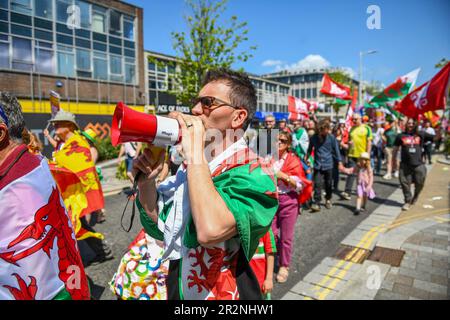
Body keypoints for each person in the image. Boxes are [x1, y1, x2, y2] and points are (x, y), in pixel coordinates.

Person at [134, 68, 278, 300]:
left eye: (208, 102)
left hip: (226, 293)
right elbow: (159, 229)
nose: (195, 110)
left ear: (238, 117)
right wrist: (146, 185)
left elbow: (211, 230)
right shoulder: (194, 166)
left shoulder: (257, 173)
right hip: (179, 287)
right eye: (196, 102)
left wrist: (193, 155)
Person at [0, 92, 90, 300]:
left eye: (60, 124)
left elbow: (81, 166)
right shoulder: (35, 162)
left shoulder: (15, 184)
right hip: (65, 285)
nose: (57, 128)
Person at [48, 110, 112, 266]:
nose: (54, 126)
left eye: (58, 123)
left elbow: (80, 166)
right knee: (79, 224)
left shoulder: (78, 141)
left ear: (69, 126)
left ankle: (92, 253)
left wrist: (56, 160)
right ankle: (100, 251)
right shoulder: (66, 144)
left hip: (79, 193)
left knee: (76, 224)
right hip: (70, 192)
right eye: (54, 124)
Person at [272, 131, 309, 283]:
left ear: (288, 145)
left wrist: (283, 176)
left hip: (289, 201)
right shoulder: (268, 158)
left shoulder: (293, 160)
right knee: (271, 235)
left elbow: (299, 185)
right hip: (271, 200)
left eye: (283, 140)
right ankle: (273, 258)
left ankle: (284, 266)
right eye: (276, 140)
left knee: (286, 238)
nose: (279, 142)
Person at [393, 118, 434, 211]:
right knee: (404, 183)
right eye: (409, 123)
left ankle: (415, 196)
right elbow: (395, 150)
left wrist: (441, 131)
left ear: (415, 124)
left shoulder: (421, 134)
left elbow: (435, 137)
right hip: (405, 165)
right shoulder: (400, 136)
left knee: (420, 183)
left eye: (412, 123)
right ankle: (407, 201)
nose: (410, 125)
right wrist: (393, 162)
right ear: (405, 124)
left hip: (419, 164)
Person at [306, 119, 344, 212]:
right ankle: (317, 202)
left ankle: (328, 198)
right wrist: (307, 157)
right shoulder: (314, 138)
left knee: (328, 184)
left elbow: (336, 150)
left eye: (325, 129)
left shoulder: (331, 138)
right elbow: (310, 149)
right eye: (321, 130)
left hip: (329, 164)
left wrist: (339, 162)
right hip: (318, 165)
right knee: (318, 184)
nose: (323, 131)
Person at [341, 113, 373, 200]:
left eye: (356, 119)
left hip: (362, 156)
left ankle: (367, 191)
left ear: (360, 119)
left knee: (364, 175)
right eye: (353, 119)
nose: (354, 121)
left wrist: (368, 154)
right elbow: (349, 142)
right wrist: (347, 144)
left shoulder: (367, 128)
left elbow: (369, 142)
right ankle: (347, 192)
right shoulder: (351, 129)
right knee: (351, 174)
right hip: (352, 154)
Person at [81, 129, 106, 224]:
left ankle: (99, 214)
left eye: (85, 137)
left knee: (93, 197)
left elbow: (90, 164)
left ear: (88, 139)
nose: (83, 138)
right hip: (87, 176)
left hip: (91, 177)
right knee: (92, 197)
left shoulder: (93, 150)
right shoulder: (87, 148)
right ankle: (98, 214)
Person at [249, 230, 276, 300]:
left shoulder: (265, 229)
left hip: (261, 282)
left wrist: (269, 279)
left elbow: (270, 254)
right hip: (242, 282)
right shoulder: (238, 228)